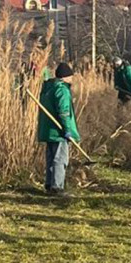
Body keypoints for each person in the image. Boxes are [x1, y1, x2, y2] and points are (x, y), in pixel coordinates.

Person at [37, 63, 79, 195]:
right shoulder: (62, 90)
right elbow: (64, 112)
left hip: (49, 130)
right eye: (71, 77)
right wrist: (67, 130)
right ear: (66, 77)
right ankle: (57, 187)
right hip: (58, 131)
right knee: (60, 159)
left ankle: (49, 185)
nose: (72, 79)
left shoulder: (48, 88)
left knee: (51, 157)